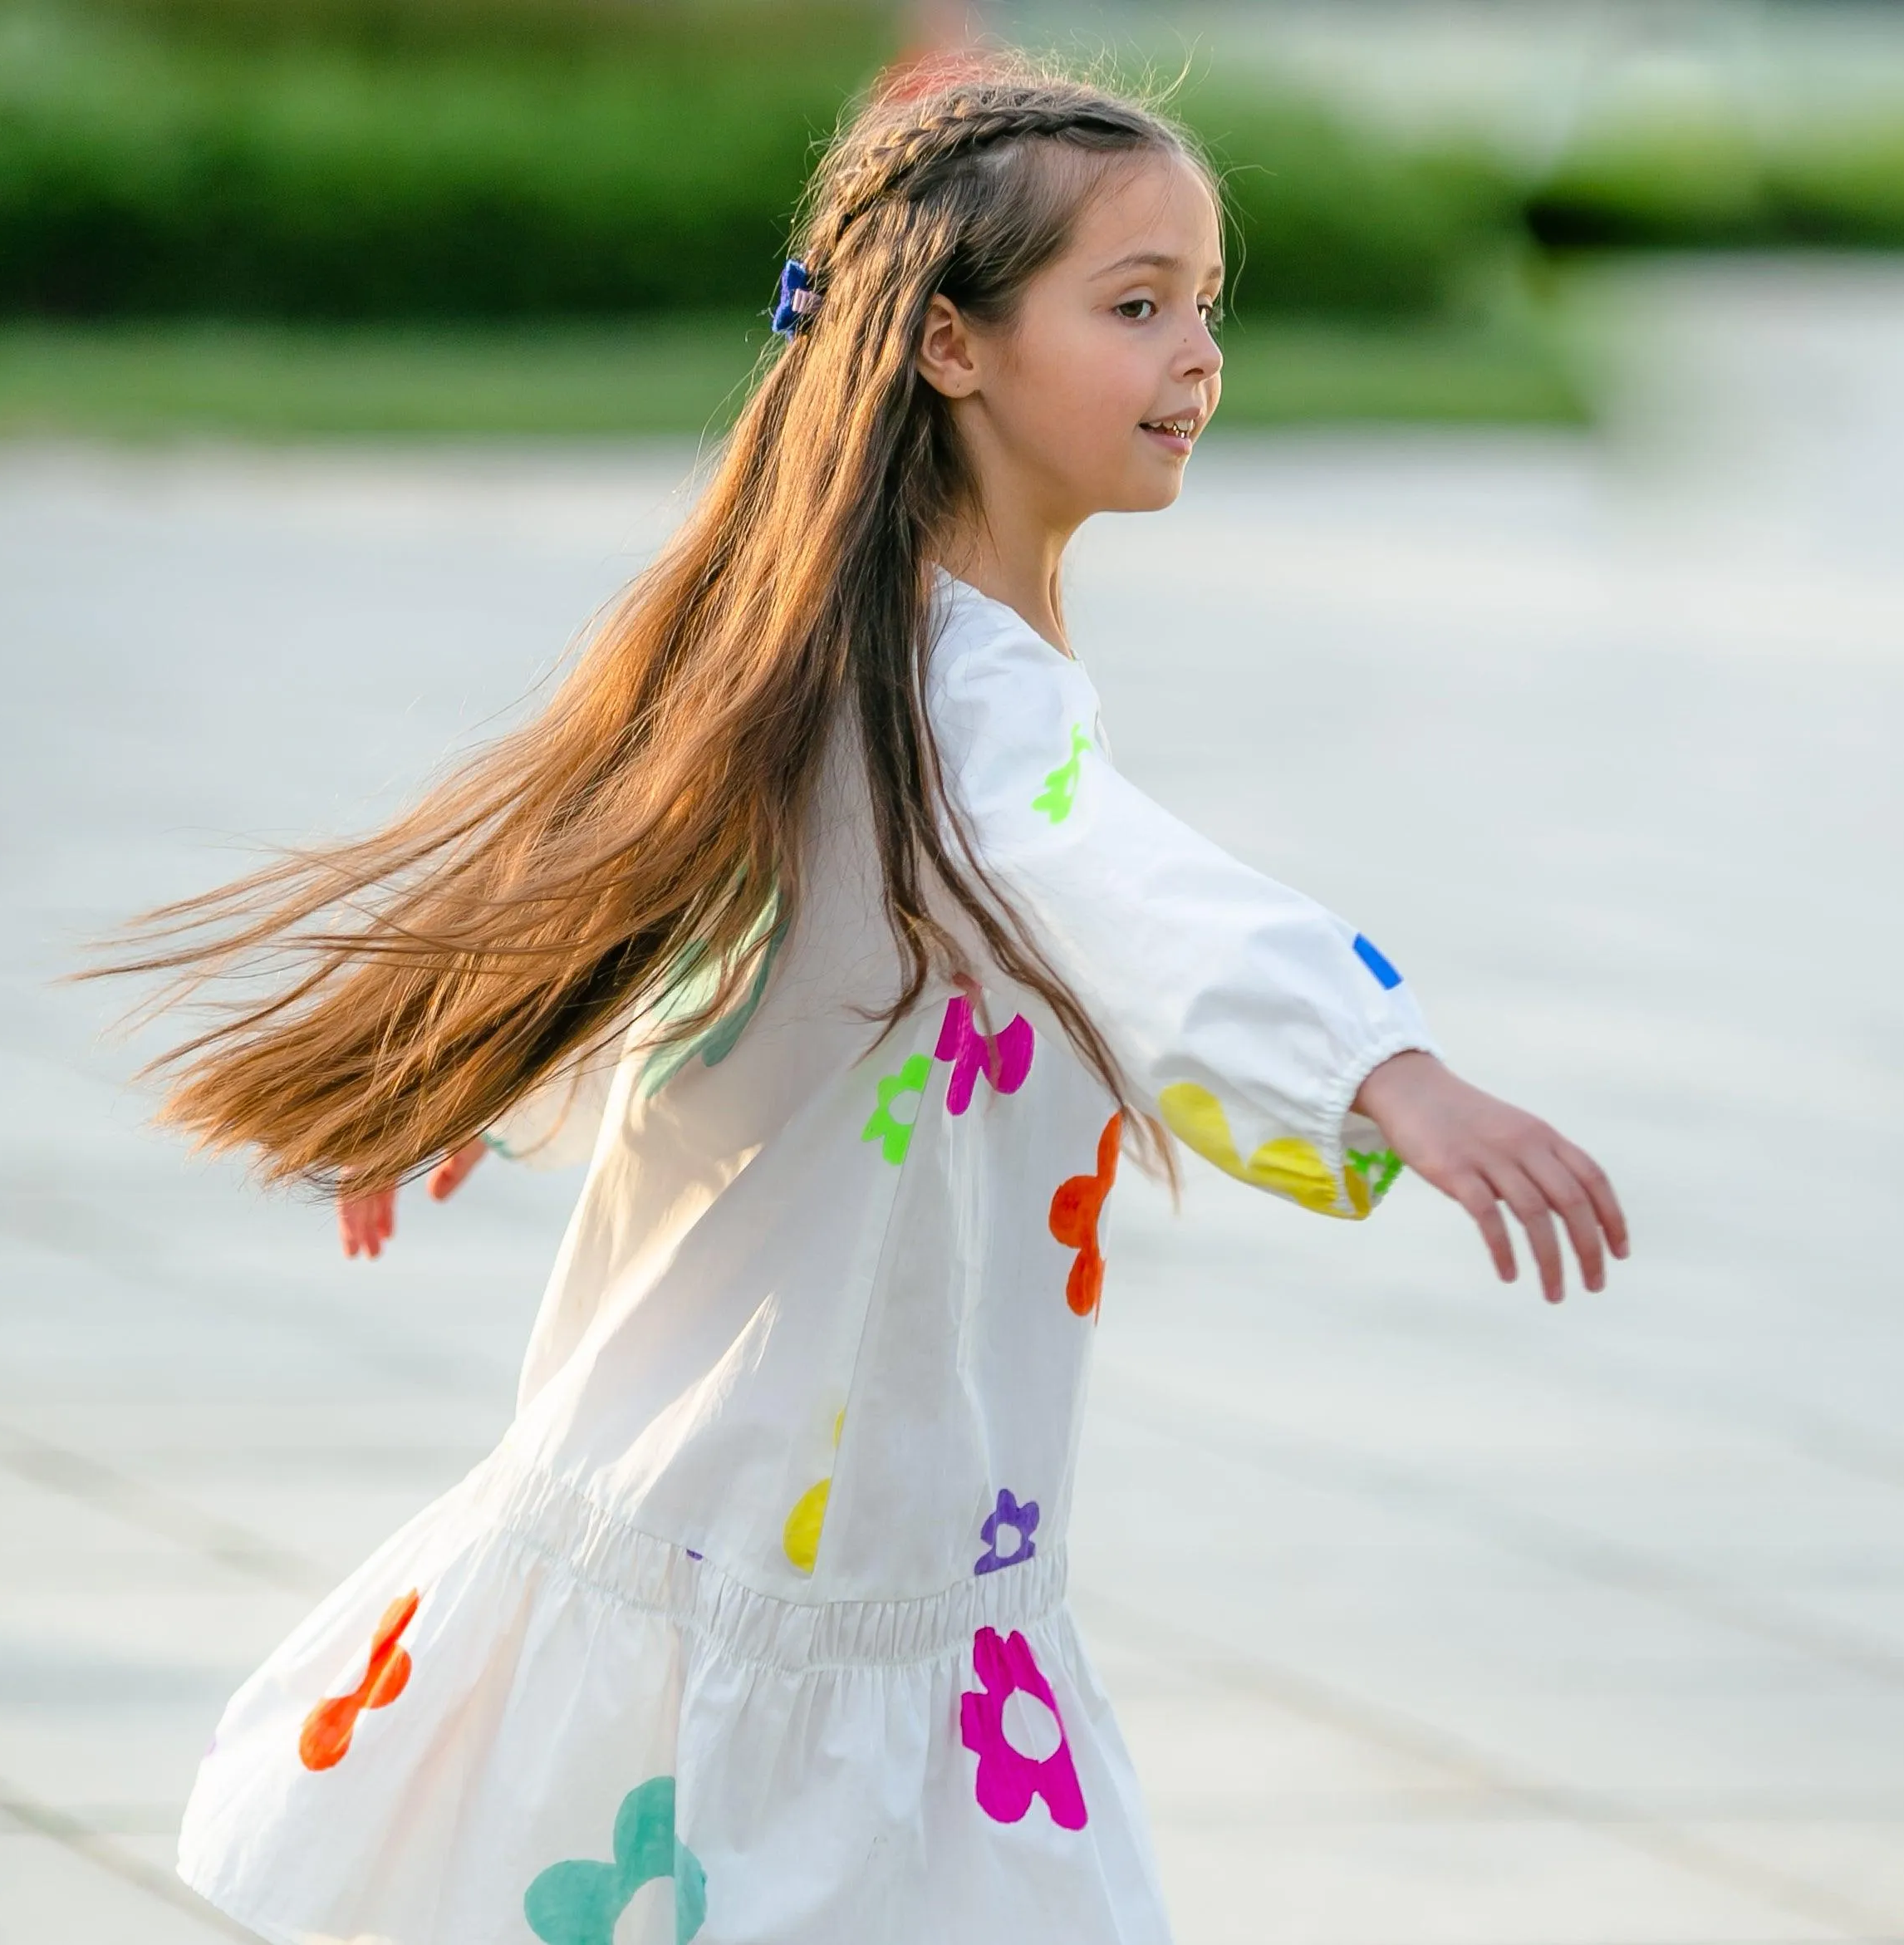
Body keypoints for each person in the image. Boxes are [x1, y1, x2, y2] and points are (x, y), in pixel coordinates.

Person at [123, 61, 1627, 1945]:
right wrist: (1382, 1071)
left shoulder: (857, 649)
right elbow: (1121, 884)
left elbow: (716, 915)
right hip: (802, 1517)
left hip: (817, 1504)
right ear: (948, 345)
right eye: (1136, 302)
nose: (1198, 354)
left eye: (1208, 305)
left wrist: (467, 1075)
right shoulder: (973, 706)